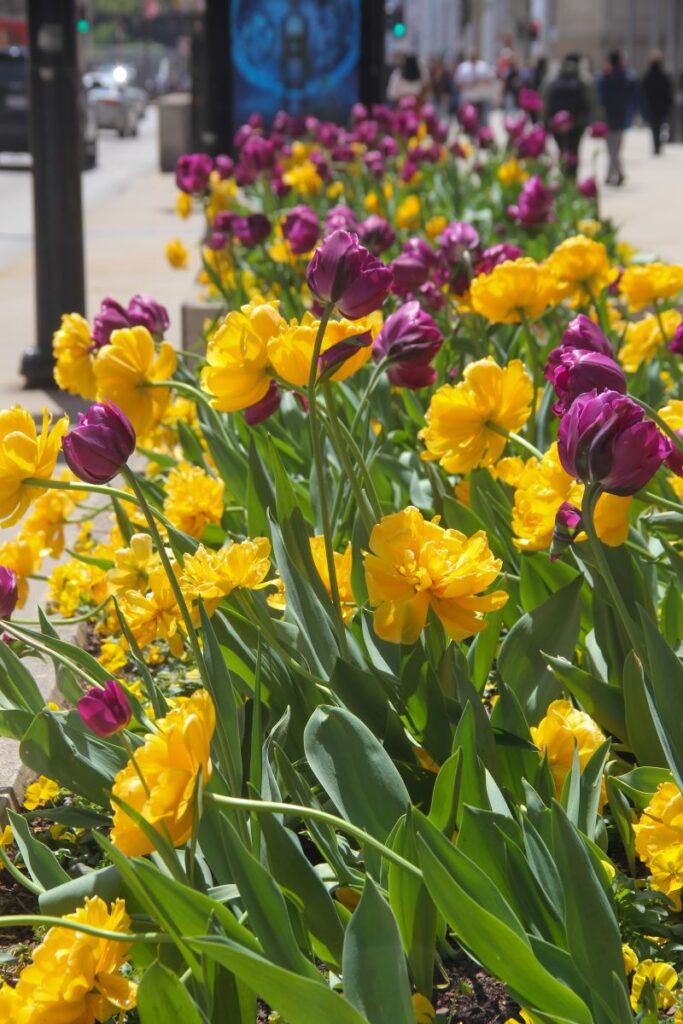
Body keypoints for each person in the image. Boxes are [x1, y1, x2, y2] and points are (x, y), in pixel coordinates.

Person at [545, 53, 594, 177]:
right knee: (574, 150)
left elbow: (544, 100)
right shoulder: (583, 78)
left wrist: (546, 121)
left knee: (561, 150)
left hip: (556, 122)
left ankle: (563, 176)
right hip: (577, 123)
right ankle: (572, 178)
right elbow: (592, 100)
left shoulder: (552, 77)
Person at [597, 50, 638, 185]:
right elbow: (633, 94)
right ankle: (615, 174)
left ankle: (615, 174)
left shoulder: (605, 77)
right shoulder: (626, 76)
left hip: (608, 116)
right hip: (621, 115)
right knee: (616, 148)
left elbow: (600, 96)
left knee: (611, 148)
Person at [641, 50, 673, 154]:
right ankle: (658, 145)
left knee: (654, 127)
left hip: (651, 104)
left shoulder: (648, 75)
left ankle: (656, 145)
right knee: (661, 126)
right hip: (661, 105)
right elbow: (668, 91)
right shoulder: (664, 75)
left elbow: (643, 91)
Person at [454, 49, 496, 124]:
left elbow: (491, 80)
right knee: (468, 122)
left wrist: (481, 79)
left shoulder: (483, 66)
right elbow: (458, 83)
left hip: (481, 100)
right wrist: (469, 84)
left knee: (483, 122)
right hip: (468, 100)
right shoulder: (463, 67)